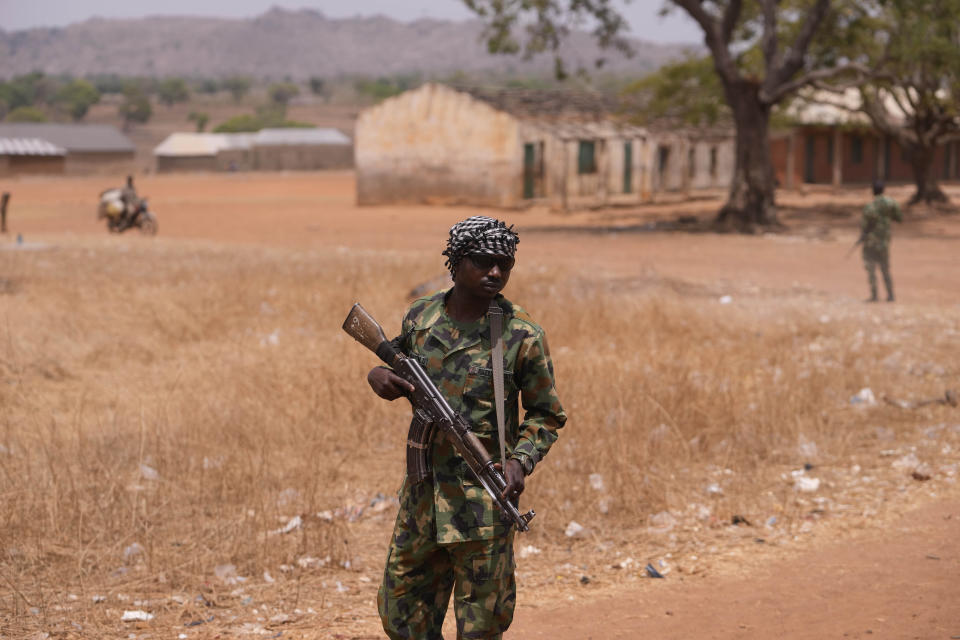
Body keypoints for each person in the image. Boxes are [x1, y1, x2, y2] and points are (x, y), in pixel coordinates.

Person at [367, 215, 567, 640]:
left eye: (504, 265)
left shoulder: (519, 334)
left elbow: (546, 414)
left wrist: (520, 461)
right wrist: (378, 376)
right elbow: (395, 362)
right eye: (483, 261)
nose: (496, 272)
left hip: (484, 506)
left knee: (481, 627)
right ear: (456, 262)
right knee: (401, 616)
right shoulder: (421, 318)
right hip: (424, 500)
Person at [860, 180, 903, 302]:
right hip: (884, 241)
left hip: (871, 242)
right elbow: (899, 218)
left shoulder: (870, 207)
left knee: (871, 268)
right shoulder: (891, 203)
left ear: (873, 191)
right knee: (885, 269)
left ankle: (874, 296)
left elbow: (864, 226)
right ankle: (891, 295)